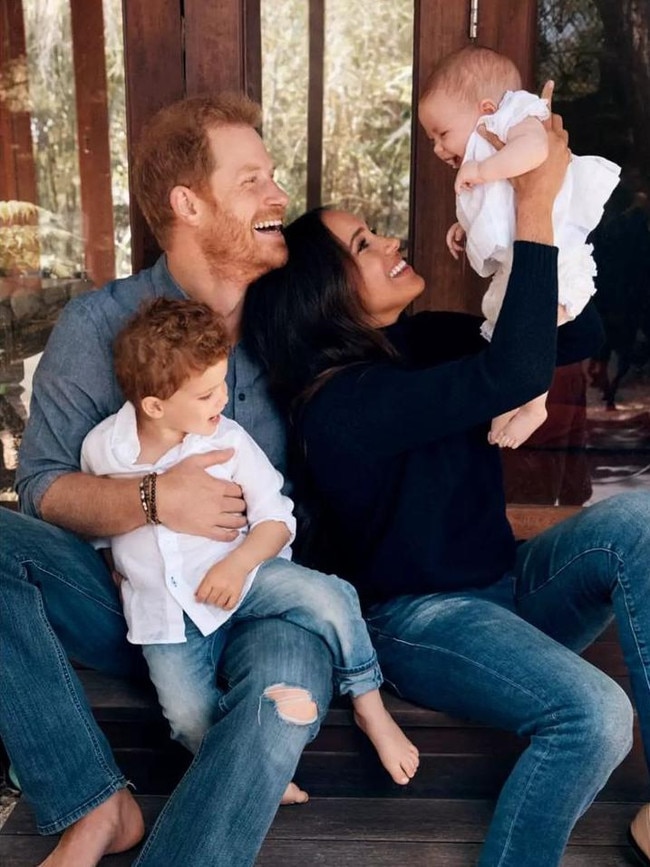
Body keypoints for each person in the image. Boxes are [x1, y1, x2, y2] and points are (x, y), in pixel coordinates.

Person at [243, 103, 650, 867]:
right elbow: (514, 371)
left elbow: (575, 337)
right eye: (364, 244)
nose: (391, 240)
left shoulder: (422, 339)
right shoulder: (338, 408)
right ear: (322, 295)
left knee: (643, 524)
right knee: (595, 715)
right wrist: (528, 199)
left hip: (509, 589)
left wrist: (509, 251)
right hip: (422, 622)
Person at [0, 93, 341, 867]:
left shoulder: (297, 320)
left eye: (272, 175)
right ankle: (92, 803)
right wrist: (156, 500)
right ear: (189, 203)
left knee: (276, 708)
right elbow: (44, 485)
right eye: (252, 179)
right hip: (138, 606)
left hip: (265, 596)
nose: (278, 195)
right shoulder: (99, 325)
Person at [80, 296, 418, 789]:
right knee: (185, 715)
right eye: (205, 394)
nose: (222, 400)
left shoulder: (229, 440)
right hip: (166, 615)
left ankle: (369, 704)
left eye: (222, 383)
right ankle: (246, 770)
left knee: (332, 597)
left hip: (247, 573)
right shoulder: (103, 449)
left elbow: (277, 520)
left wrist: (237, 565)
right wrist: (113, 561)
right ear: (155, 405)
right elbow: (98, 519)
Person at [418, 45, 620, 449]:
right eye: (431, 140)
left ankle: (534, 404)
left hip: (556, 253)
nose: (439, 148)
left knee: (533, 326)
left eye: (442, 134)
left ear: (487, 108)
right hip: (524, 256)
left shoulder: (518, 117)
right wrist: (464, 225)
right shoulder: (487, 148)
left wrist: (482, 169)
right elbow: (500, 206)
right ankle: (512, 397)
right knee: (505, 324)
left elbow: (536, 152)